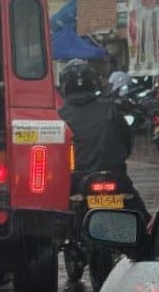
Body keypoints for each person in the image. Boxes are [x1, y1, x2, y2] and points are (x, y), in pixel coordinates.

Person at [57, 60, 148, 217]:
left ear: (65, 86)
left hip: (76, 182)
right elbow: (127, 144)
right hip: (116, 176)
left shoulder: (60, 117)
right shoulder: (110, 109)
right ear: (94, 83)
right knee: (145, 224)